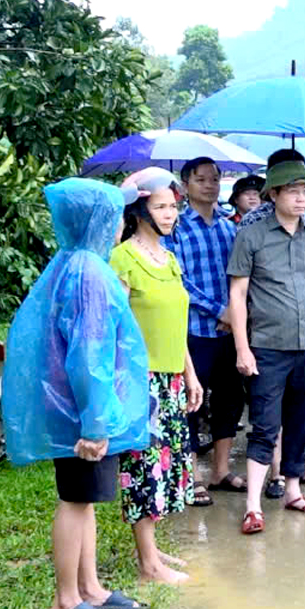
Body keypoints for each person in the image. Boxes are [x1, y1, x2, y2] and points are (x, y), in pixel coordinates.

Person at [2, 178, 150, 609]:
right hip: (82, 409)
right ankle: (65, 601)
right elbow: (90, 355)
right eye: (117, 214)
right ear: (102, 221)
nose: (123, 222)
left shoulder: (74, 262)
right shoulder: (89, 272)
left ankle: (91, 587)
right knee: (74, 500)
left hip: (76, 405)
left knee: (85, 499)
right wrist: (95, 422)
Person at [228, 159, 305, 534]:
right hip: (268, 346)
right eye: (293, 191)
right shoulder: (252, 234)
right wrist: (242, 348)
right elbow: (238, 293)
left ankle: (293, 490)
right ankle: (253, 505)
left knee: (301, 422)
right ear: (272, 194)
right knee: (264, 424)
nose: (301, 198)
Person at [110, 168, 204, 584]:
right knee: (144, 466)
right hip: (140, 379)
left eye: (173, 206)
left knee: (167, 466)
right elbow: (112, 326)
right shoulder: (122, 258)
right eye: (161, 207)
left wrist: (191, 373)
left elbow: (176, 323)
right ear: (139, 210)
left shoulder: (168, 259)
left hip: (171, 378)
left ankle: (153, 549)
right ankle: (148, 563)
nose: (170, 214)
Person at [165, 156, 245, 505]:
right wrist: (219, 309)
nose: (210, 185)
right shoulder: (176, 228)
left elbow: (240, 276)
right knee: (192, 403)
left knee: (230, 399)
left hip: (230, 331)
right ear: (186, 186)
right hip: (194, 329)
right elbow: (178, 281)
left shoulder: (231, 228)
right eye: (201, 180)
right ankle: (193, 475)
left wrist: (235, 313)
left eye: (215, 179)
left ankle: (221, 469)